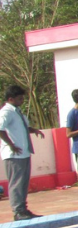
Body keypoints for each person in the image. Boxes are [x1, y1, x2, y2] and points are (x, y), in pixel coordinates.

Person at [0, 85, 46, 220]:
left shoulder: (17, 111)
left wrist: (33, 130)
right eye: (20, 98)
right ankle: (18, 211)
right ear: (11, 99)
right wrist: (11, 145)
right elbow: (0, 129)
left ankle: (23, 209)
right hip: (14, 154)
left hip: (23, 153)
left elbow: (21, 128)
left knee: (23, 183)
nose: (22, 101)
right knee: (16, 183)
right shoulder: (6, 112)